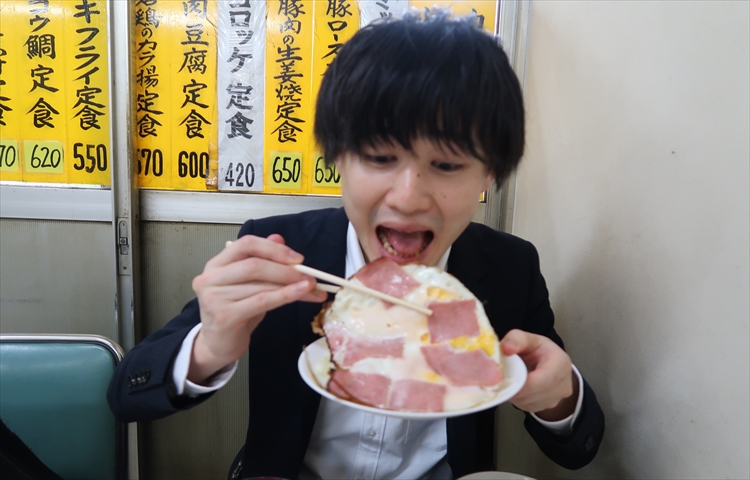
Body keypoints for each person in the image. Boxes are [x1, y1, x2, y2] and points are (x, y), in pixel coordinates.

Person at [108, 11, 604, 479]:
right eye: (379, 158)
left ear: (489, 173)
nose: (408, 198)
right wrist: (209, 347)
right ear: (338, 158)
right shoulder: (281, 251)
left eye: (447, 165)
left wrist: (559, 398)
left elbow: (578, 446)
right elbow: (126, 395)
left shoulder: (511, 267)